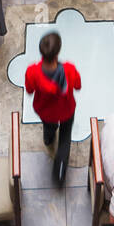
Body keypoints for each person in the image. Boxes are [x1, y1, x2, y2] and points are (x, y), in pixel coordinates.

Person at [25, 30, 81, 187]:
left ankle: (48, 139)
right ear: (58, 52)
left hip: (45, 111)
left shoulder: (32, 72)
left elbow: (29, 90)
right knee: (65, 139)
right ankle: (59, 174)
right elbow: (78, 85)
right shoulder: (69, 70)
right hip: (66, 109)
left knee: (49, 127)